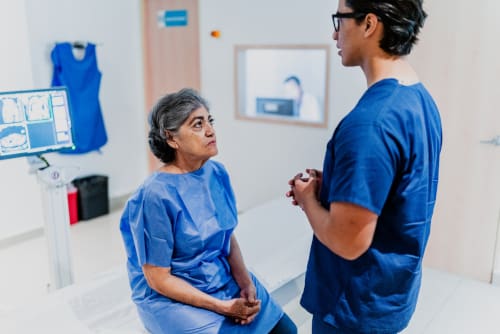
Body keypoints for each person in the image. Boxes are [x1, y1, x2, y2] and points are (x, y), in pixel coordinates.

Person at [286, 0, 442, 333]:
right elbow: (400, 187)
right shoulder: (418, 99)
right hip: (390, 295)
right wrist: (335, 184)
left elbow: (347, 241)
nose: (334, 33)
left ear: (369, 23)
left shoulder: (371, 123)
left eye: (339, 20)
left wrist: (307, 198)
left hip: (354, 308)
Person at [120, 88, 297, 334]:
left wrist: (245, 281)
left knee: (286, 331)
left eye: (209, 121)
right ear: (172, 139)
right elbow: (158, 279)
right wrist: (223, 307)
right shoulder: (154, 196)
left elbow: (226, 235)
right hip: (171, 298)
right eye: (197, 124)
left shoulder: (216, 173)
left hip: (219, 278)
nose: (210, 131)